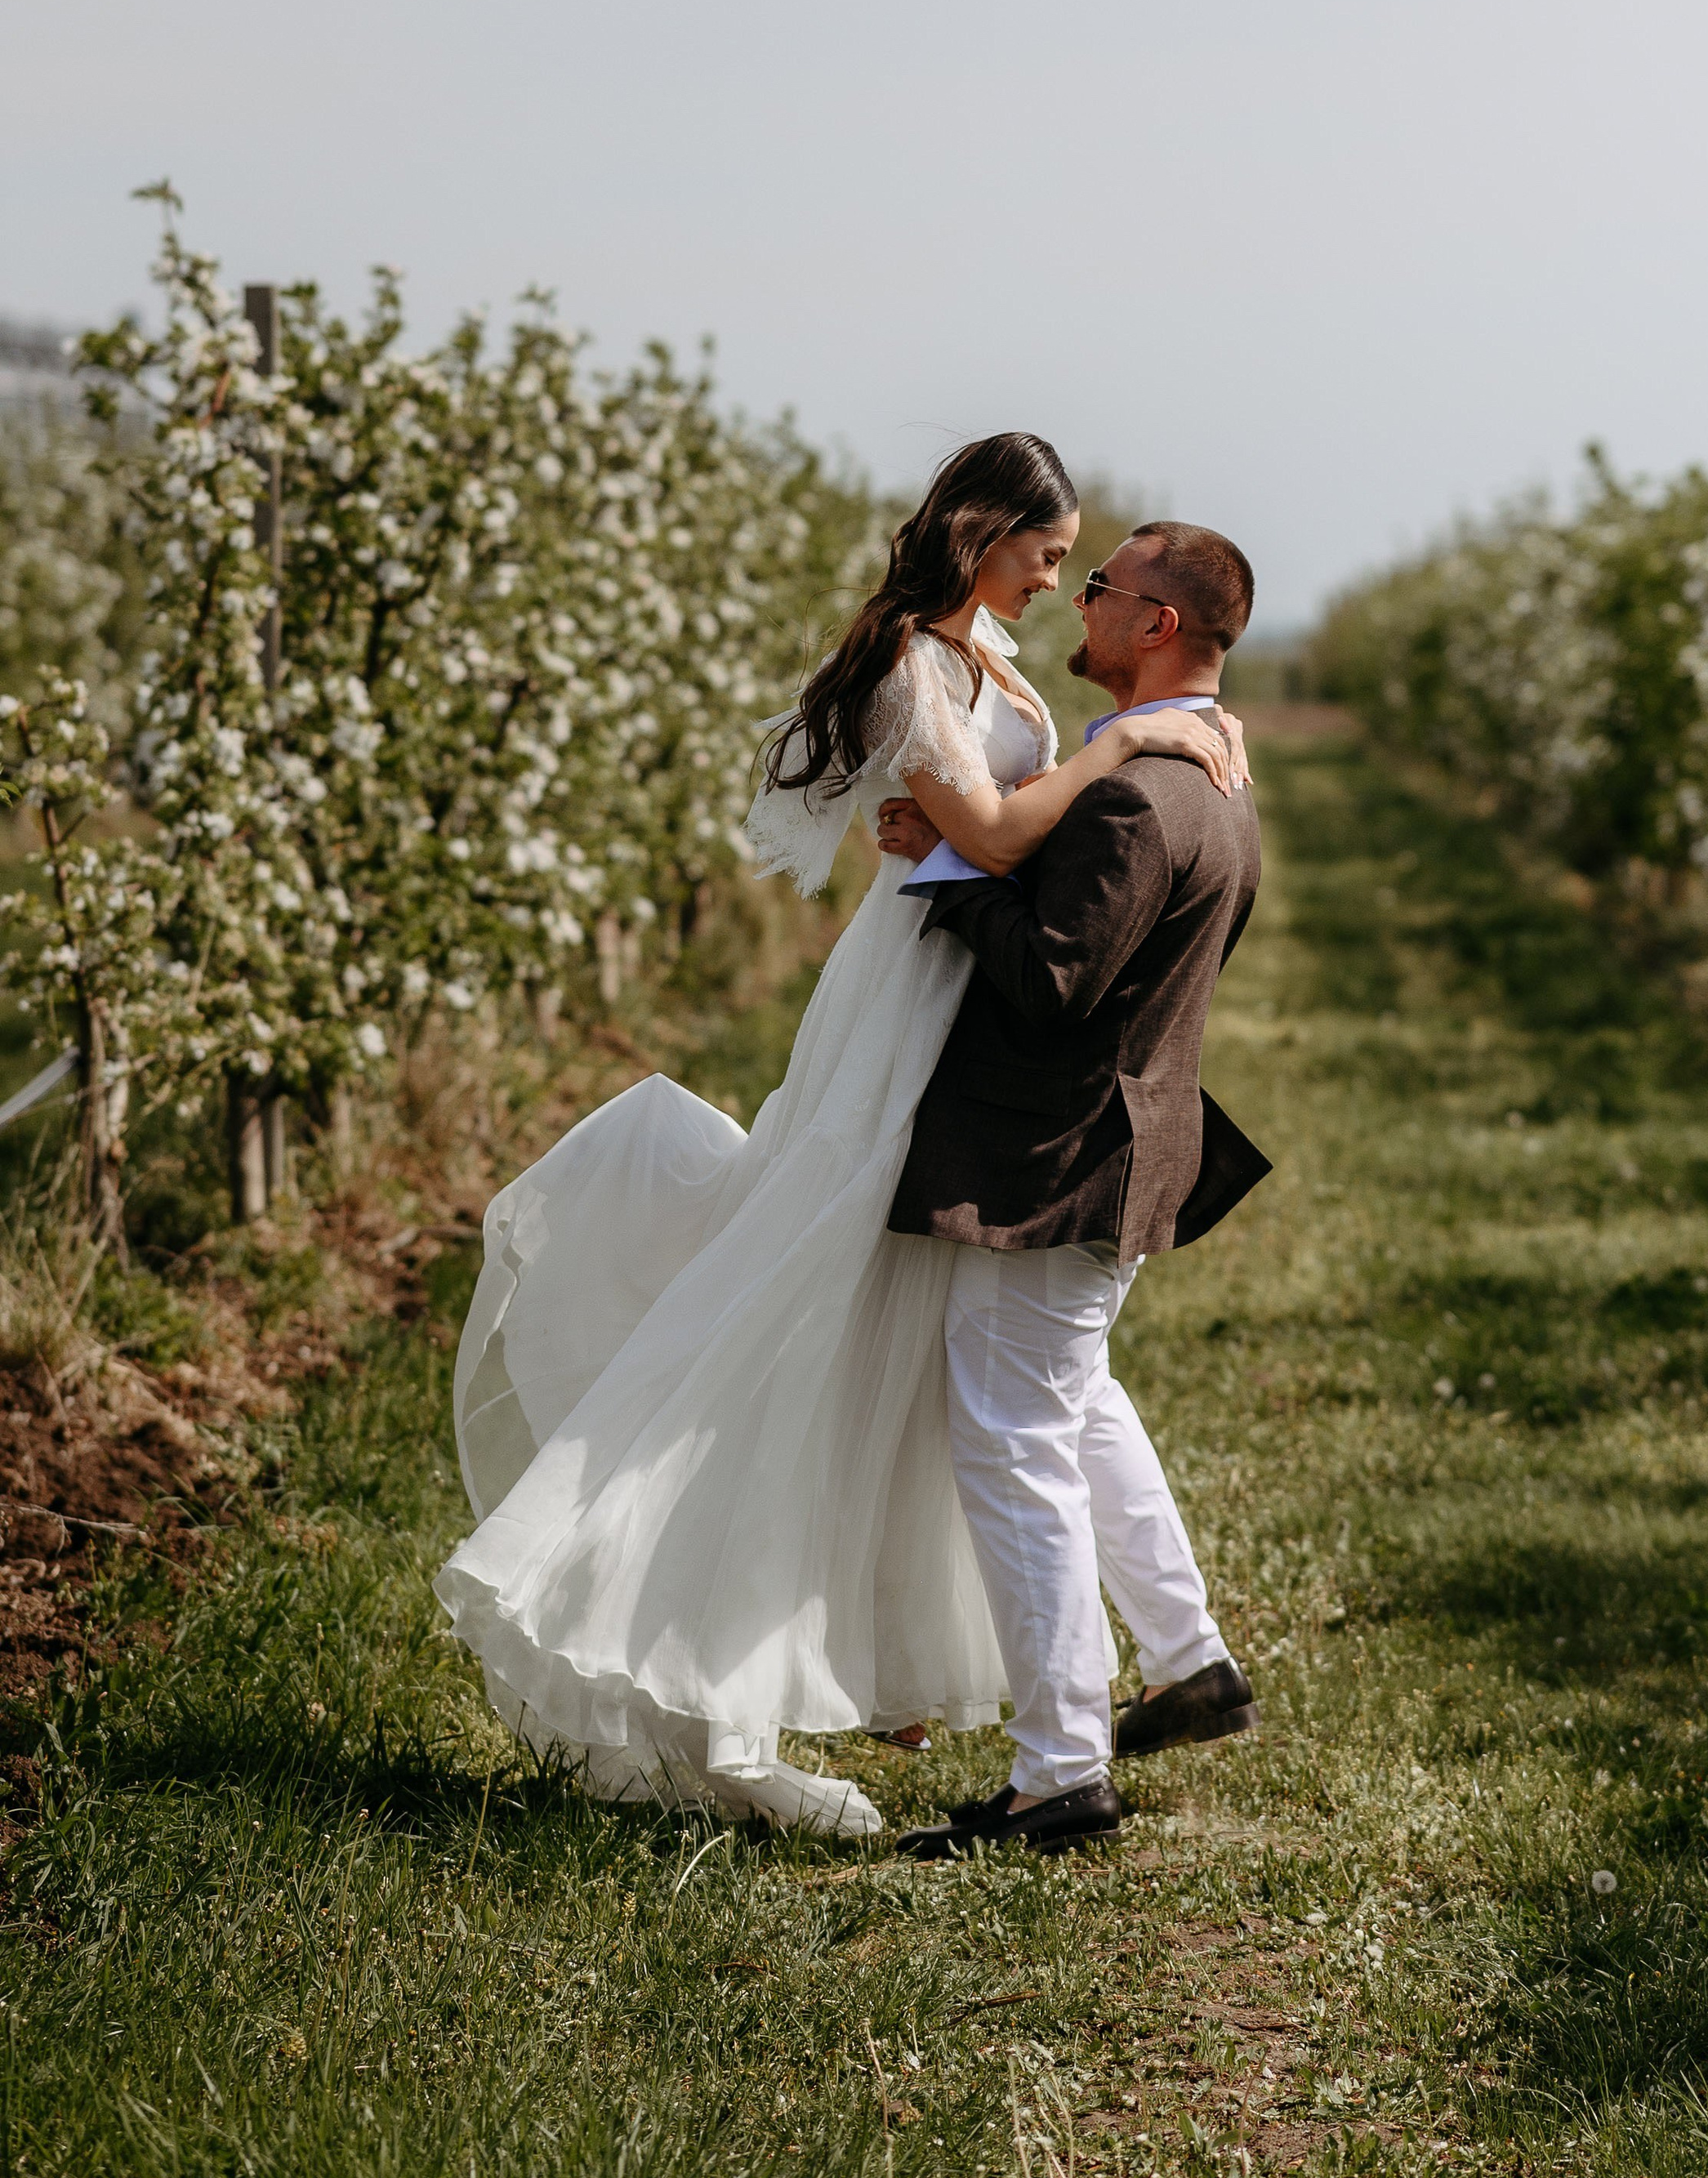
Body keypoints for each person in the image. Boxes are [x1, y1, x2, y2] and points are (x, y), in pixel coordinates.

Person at [435, 434, 1238, 1836]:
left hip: (963, 1008)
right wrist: (1130, 742)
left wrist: (1105, 757)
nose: (1061, 583)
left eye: (1085, 572)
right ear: (989, 533)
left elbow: (994, 848)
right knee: (806, 1311)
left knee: (943, 1363)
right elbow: (985, 835)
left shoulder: (990, 655)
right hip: (908, 1003)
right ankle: (721, 1675)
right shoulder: (908, 666)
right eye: (1053, 556)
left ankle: (898, 1656)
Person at [871, 517, 1272, 1860]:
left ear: (1155, 624)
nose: (1080, 602)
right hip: (1131, 1144)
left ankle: (1058, 1776)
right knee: (1074, 1401)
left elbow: (1053, 983)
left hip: (1059, 1158)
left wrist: (936, 856)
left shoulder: (1137, 793)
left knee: (1015, 1443)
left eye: (1101, 587)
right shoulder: (1217, 777)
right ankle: (1188, 1660)